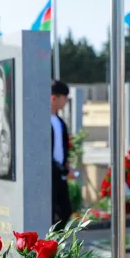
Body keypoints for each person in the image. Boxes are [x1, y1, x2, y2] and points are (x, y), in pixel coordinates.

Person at [51, 80, 72, 229]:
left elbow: (63, 148)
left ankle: (56, 246)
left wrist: (66, 166)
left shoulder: (60, 122)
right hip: (49, 174)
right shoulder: (41, 121)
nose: (65, 102)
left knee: (65, 211)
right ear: (54, 98)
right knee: (52, 212)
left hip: (60, 174)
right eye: (65, 98)